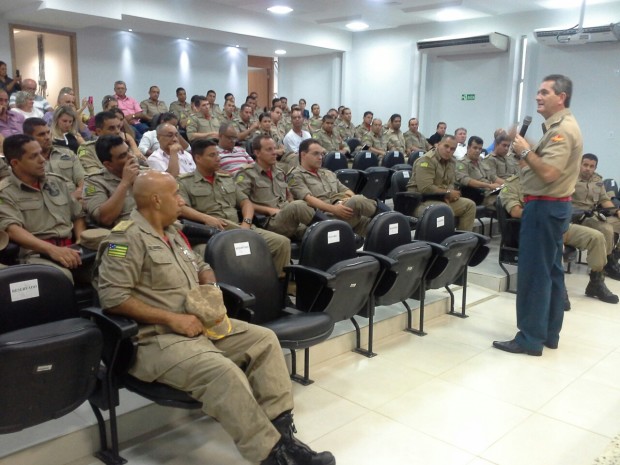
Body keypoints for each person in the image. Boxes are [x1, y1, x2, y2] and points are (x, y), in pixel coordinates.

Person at [93, 169, 335, 465]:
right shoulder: (124, 240)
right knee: (224, 372)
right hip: (156, 339)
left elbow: (199, 263)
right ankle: (271, 456)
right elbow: (113, 298)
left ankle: (284, 439)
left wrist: (208, 282)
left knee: (264, 340)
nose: (181, 201)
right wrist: (172, 319)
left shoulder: (172, 233)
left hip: (200, 327)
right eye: (175, 194)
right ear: (156, 200)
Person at [494, 74, 582, 355]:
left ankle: (530, 339)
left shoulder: (562, 130)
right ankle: (548, 334)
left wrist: (524, 151)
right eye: (538, 92)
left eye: (545, 92)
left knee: (534, 274)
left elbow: (549, 172)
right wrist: (524, 147)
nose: (538, 97)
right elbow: (542, 161)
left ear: (561, 97)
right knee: (551, 271)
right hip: (552, 207)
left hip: (544, 208)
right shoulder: (559, 127)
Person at [499, 167, 619, 304]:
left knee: (597, 237)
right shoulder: (512, 184)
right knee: (556, 242)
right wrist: (542, 213)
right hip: (535, 229)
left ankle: (596, 283)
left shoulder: (546, 181)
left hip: (558, 225)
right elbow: (515, 212)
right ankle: (557, 288)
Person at [178, 138, 291, 277]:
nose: (218, 158)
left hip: (238, 227)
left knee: (281, 243)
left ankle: (278, 285)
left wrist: (246, 222)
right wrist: (206, 218)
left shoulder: (226, 179)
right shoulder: (185, 182)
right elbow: (181, 208)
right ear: (198, 158)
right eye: (212, 155)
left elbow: (246, 202)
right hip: (211, 233)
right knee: (206, 252)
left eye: (218, 154)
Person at [0, 134, 85, 283]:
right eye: (34, 156)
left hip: (73, 248)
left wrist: (80, 240)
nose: (42, 160)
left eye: (40, 153)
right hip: (37, 255)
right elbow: (12, 229)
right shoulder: (5, 192)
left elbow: (78, 215)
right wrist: (53, 250)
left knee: (115, 262)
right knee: (61, 278)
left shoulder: (56, 181)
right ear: (15, 163)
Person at [288, 138, 377, 236]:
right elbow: (309, 199)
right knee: (357, 200)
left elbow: (345, 190)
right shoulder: (295, 175)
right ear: (303, 155)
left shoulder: (327, 173)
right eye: (316, 154)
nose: (320, 157)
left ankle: (384, 217)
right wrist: (334, 209)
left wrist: (347, 200)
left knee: (374, 224)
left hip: (342, 211)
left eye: (322, 154)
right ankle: (384, 213)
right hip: (322, 218)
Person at [235, 135, 315, 239]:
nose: (274, 153)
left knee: (314, 234)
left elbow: (288, 195)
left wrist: (290, 204)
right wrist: (268, 210)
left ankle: (324, 225)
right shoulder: (247, 174)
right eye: (269, 150)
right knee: (298, 206)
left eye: (274, 148)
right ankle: (324, 222)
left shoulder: (279, 172)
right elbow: (241, 203)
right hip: (268, 221)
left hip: (288, 216)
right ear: (257, 153)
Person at [407, 135, 476, 231]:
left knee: (469, 205)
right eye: (446, 146)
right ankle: (441, 239)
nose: (448, 150)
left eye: (452, 149)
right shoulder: (426, 160)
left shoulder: (452, 162)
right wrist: (447, 193)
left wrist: (450, 194)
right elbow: (425, 188)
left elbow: (451, 182)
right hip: (420, 202)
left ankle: (462, 238)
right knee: (445, 210)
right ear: (438, 145)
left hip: (442, 199)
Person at [572, 153, 620, 266]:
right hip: (575, 215)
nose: (588, 169)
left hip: (592, 214)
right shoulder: (570, 178)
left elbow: (604, 200)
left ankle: (615, 254)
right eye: (585, 165)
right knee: (606, 229)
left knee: (617, 223)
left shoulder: (597, 181)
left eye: (591, 166)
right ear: (579, 164)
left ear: (595, 168)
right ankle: (606, 264)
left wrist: (617, 211)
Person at [84, 135, 140, 228]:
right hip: (125, 232)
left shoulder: (145, 173)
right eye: (123, 156)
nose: (131, 157)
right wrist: (125, 183)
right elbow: (105, 218)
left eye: (129, 151)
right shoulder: (94, 182)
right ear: (108, 164)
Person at [23, 117, 85, 200]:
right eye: (41, 134)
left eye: (48, 132)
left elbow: (82, 180)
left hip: (76, 200)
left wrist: (78, 194)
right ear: (28, 137)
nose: (47, 137)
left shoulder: (68, 153)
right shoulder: (25, 162)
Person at [455, 135, 503, 209]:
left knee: (511, 195)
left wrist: (507, 184)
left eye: (480, 149)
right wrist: (489, 186)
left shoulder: (482, 161)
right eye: (475, 148)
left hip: (491, 191)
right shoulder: (461, 163)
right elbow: (467, 181)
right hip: (479, 195)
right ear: (468, 148)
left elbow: (493, 177)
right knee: (503, 202)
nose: (477, 151)